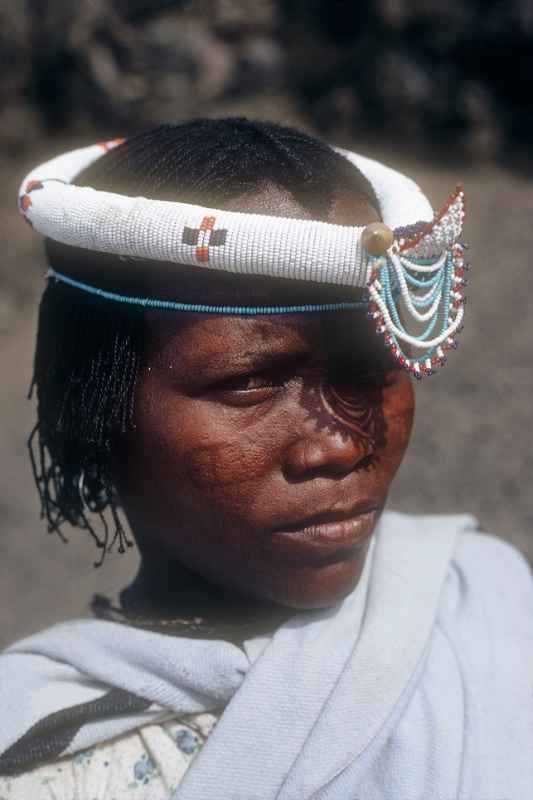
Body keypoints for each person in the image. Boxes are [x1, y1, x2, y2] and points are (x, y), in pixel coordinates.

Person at [0, 118, 531, 800]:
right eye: (249, 383)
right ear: (93, 405)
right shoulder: (39, 765)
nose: (338, 446)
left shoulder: (484, 599)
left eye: (370, 370)